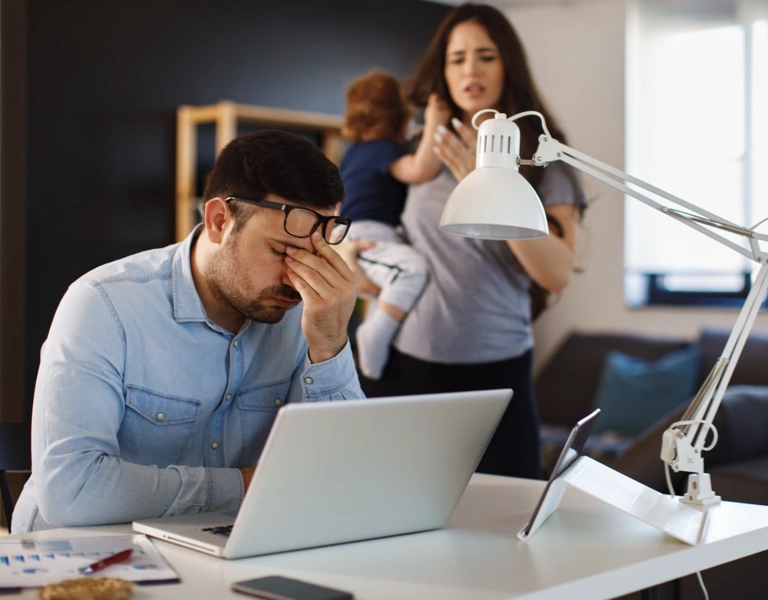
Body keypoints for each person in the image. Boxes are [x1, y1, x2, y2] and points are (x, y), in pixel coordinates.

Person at [12, 130, 364, 533]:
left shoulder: (308, 313)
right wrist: (246, 485)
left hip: (219, 551)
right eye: (282, 251)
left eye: (315, 257)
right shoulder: (104, 304)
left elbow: (341, 473)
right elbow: (71, 492)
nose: (297, 277)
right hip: (80, 559)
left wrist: (330, 345)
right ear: (218, 221)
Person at [345, 3, 588, 479]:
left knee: (502, 522)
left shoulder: (544, 156)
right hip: (404, 365)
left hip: (496, 374)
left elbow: (556, 273)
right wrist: (350, 257)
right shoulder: (420, 150)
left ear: (507, 65)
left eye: (485, 56)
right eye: (457, 58)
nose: (470, 69)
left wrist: (482, 181)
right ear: (443, 70)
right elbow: (366, 217)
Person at [339, 70, 450, 380]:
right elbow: (420, 169)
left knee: (386, 289)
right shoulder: (380, 149)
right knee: (411, 270)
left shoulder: (355, 152)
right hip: (366, 236)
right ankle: (374, 335)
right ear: (399, 118)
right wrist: (435, 121)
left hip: (367, 234)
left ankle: (373, 356)